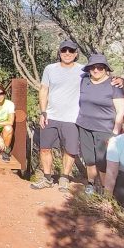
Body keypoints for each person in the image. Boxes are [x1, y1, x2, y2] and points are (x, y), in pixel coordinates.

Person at [32, 40, 84, 191]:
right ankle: (47, 178)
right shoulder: (50, 69)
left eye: (71, 51)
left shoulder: (83, 70)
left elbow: (100, 77)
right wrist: (43, 112)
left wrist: (118, 80)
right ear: (59, 53)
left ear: (76, 54)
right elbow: (43, 90)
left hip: (72, 118)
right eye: (64, 50)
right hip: (51, 116)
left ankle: (64, 178)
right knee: (45, 148)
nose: (67, 53)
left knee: (70, 150)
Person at [76, 54, 124, 194]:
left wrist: (115, 132)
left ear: (106, 69)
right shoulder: (84, 80)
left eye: (100, 67)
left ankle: (105, 191)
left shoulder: (114, 84)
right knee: (89, 159)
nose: (96, 70)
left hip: (105, 128)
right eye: (93, 67)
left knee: (103, 161)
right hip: (84, 125)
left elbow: (121, 110)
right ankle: (91, 184)